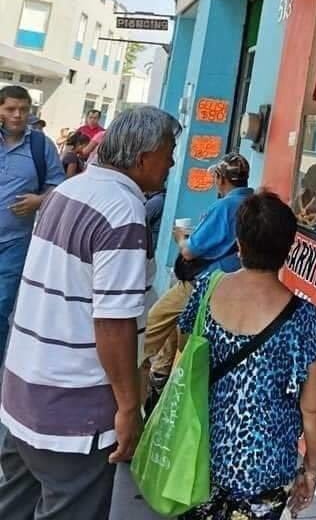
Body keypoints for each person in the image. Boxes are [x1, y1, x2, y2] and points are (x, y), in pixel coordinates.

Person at [0, 106, 181, 520]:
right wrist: (127, 408)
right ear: (144, 155)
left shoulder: (71, 190)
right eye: (169, 150)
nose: (172, 161)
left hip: (24, 392)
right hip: (71, 412)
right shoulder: (122, 212)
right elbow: (114, 324)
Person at [177, 190, 316, 520]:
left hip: (198, 454)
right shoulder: (303, 318)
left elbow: (184, 355)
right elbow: (314, 409)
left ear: (239, 243)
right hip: (265, 470)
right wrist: (311, 471)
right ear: (288, 249)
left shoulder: (206, 290)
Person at [142, 154, 253, 405]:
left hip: (204, 282)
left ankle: (133, 371)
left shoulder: (225, 206)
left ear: (221, 179)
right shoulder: (253, 202)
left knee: (155, 322)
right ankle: (160, 375)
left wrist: (181, 237)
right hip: (231, 282)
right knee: (179, 331)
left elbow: (190, 251)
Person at [0, 85, 64, 362]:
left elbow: (58, 185)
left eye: (23, 110)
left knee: (1, 308)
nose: (17, 115)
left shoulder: (40, 145)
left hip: (15, 242)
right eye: (10, 109)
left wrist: (39, 201)